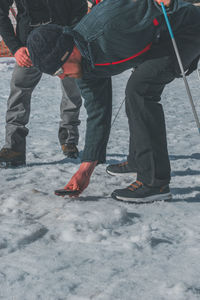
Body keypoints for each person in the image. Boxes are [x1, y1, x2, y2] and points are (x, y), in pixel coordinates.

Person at [27, 0, 200, 202]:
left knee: (140, 90)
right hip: (156, 40)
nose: (62, 77)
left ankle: (154, 182)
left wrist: (167, 4)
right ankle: (139, 160)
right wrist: (85, 171)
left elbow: (148, 5)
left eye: (58, 71)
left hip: (185, 30)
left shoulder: (109, 25)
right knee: (136, 90)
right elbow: (98, 111)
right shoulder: (83, 67)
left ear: (69, 52)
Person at [0, 0, 88, 167]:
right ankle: (14, 147)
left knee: (72, 92)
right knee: (19, 92)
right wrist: (15, 47)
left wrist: (71, 38)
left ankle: (69, 140)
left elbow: (79, 6)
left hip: (64, 44)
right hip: (28, 47)